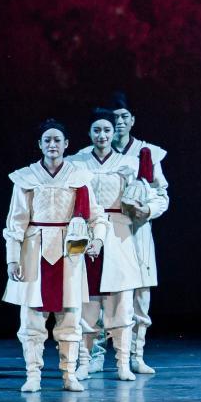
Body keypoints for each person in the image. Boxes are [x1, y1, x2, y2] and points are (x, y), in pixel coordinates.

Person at [3, 120, 108, 392]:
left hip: (68, 252)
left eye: (57, 140)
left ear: (66, 144)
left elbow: (97, 216)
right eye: (47, 140)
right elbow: (16, 222)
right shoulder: (26, 178)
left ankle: (69, 374)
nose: (52, 144)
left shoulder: (79, 177)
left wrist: (97, 240)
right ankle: (33, 375)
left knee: (70, 317)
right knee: (32, 320)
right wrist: (12, 258)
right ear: (40, 144)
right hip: (34, 252)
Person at [87, 93, 168, 375]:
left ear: (132, 120)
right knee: (97, 294)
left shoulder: (146, 153)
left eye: (124, 117)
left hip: (136, 232)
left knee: (139, 296)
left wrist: (148, 209)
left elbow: (161, 194)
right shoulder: (88, 156)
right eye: (113, 118)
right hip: (103, 230)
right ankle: (95, 354)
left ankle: (135, 355)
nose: (118, 123)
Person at [69, 110, 145, 381]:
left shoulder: (129, 163)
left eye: (107, 130)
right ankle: (85, 361)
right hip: (87, 231)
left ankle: (123, 363)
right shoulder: (76, 162)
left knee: (121, 303)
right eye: (97, 130)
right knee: (86, 302)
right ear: (89, 133)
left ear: (114, 133)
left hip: (119, 233)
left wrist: (139, 202)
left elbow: (140, 197)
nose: (102, 135)